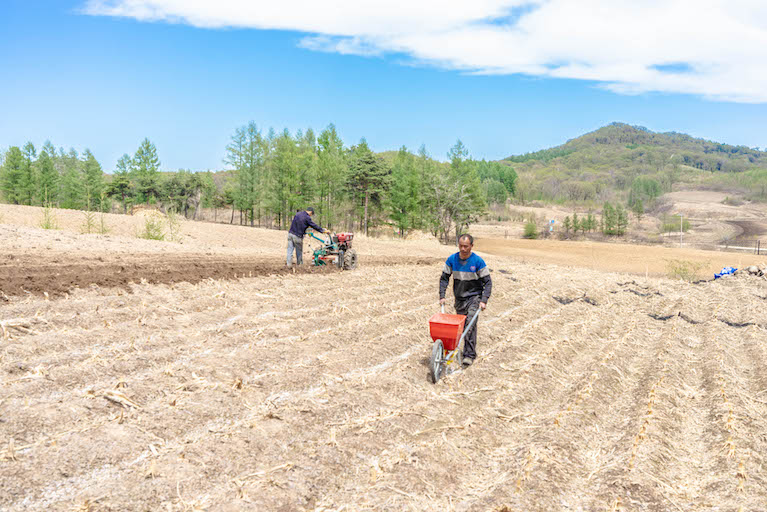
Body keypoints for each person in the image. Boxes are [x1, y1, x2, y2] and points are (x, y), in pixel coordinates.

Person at [439, 234, 492, 367]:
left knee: (470, 325)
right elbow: (444, 278)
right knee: (461, 327)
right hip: (459, 298)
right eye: (461, 246)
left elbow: (488, 282)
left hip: (474, 297)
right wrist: (442, 295)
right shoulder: (452, 259)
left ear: (471, 246)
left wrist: (484, 300)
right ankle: (453, 348)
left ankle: (469, 355)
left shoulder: (478, 261)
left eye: (466, 246)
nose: (463, 249)